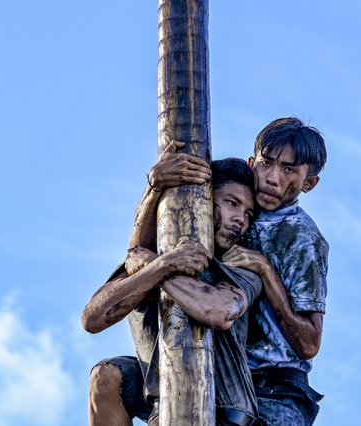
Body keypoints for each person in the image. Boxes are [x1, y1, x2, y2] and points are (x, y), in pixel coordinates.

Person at [82, 142, 262, 426]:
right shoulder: (147, 263)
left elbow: (215, 311)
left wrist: (159, 267)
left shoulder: (242, 270)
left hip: (227, 418)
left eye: (249, 215)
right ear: (205, 198)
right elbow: (93, 318)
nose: (241, 219)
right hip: (165, 414)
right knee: (107, 375)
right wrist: (161, 264)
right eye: (231, 203)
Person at [222, 117, 329, 425]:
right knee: (113, 377)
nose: (272, 178)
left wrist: (266, 271)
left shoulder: (301, 237)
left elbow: (309, 344)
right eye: (267, 163)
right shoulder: (229, 203)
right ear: (251, 163)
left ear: (309, 183)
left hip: (275, 390)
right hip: (220, 375)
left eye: (289, 170)